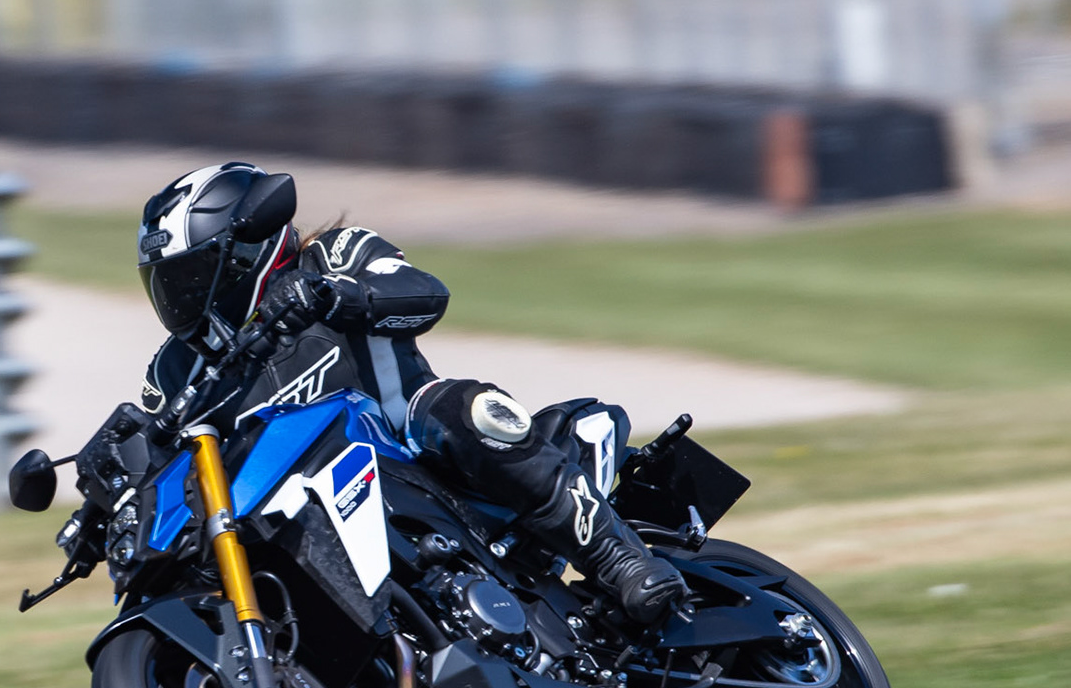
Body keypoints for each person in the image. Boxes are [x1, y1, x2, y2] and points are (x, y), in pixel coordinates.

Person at [134, 161, 690, 626]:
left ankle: (618, 558)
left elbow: (424, 293)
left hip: (409, 454)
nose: (181, 298)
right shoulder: (175, 368)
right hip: (294, 511)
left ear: (246, 250)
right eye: (168, 283)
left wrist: (334, 296)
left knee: (465, 409)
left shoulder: (333, 255)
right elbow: (152, 449)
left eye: (192, 276)